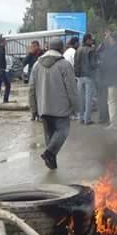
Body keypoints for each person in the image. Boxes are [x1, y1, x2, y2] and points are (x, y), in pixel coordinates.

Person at [29, 38, 79, 170]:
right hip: (61, 108)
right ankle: (49, 154)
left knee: (50, 137)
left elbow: (31, 89)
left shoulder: (36, 65)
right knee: (63, 131)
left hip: (43, 108)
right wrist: (76, 106)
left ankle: (52, 163)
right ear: (61, 48)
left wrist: (33, 109)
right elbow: (72, 88)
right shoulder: (64, 65)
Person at [74, 33, 98, 125]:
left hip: (79, 77)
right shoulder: (91, 50)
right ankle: (87, 119)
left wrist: (77, 75)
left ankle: (81, 118)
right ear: (87, 40)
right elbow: (93, 64)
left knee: (81, 99)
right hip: (89, 77)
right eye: (91, 39)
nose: (92, 41)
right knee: (88, 99)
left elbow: (75, 64)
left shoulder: (78, 50)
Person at [0, 38, 11, 103]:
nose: (6, 43)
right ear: (1, 42)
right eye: (5, 42)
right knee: (8, 85)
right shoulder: (1, 50)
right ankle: (5, 100)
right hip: (1, 70)